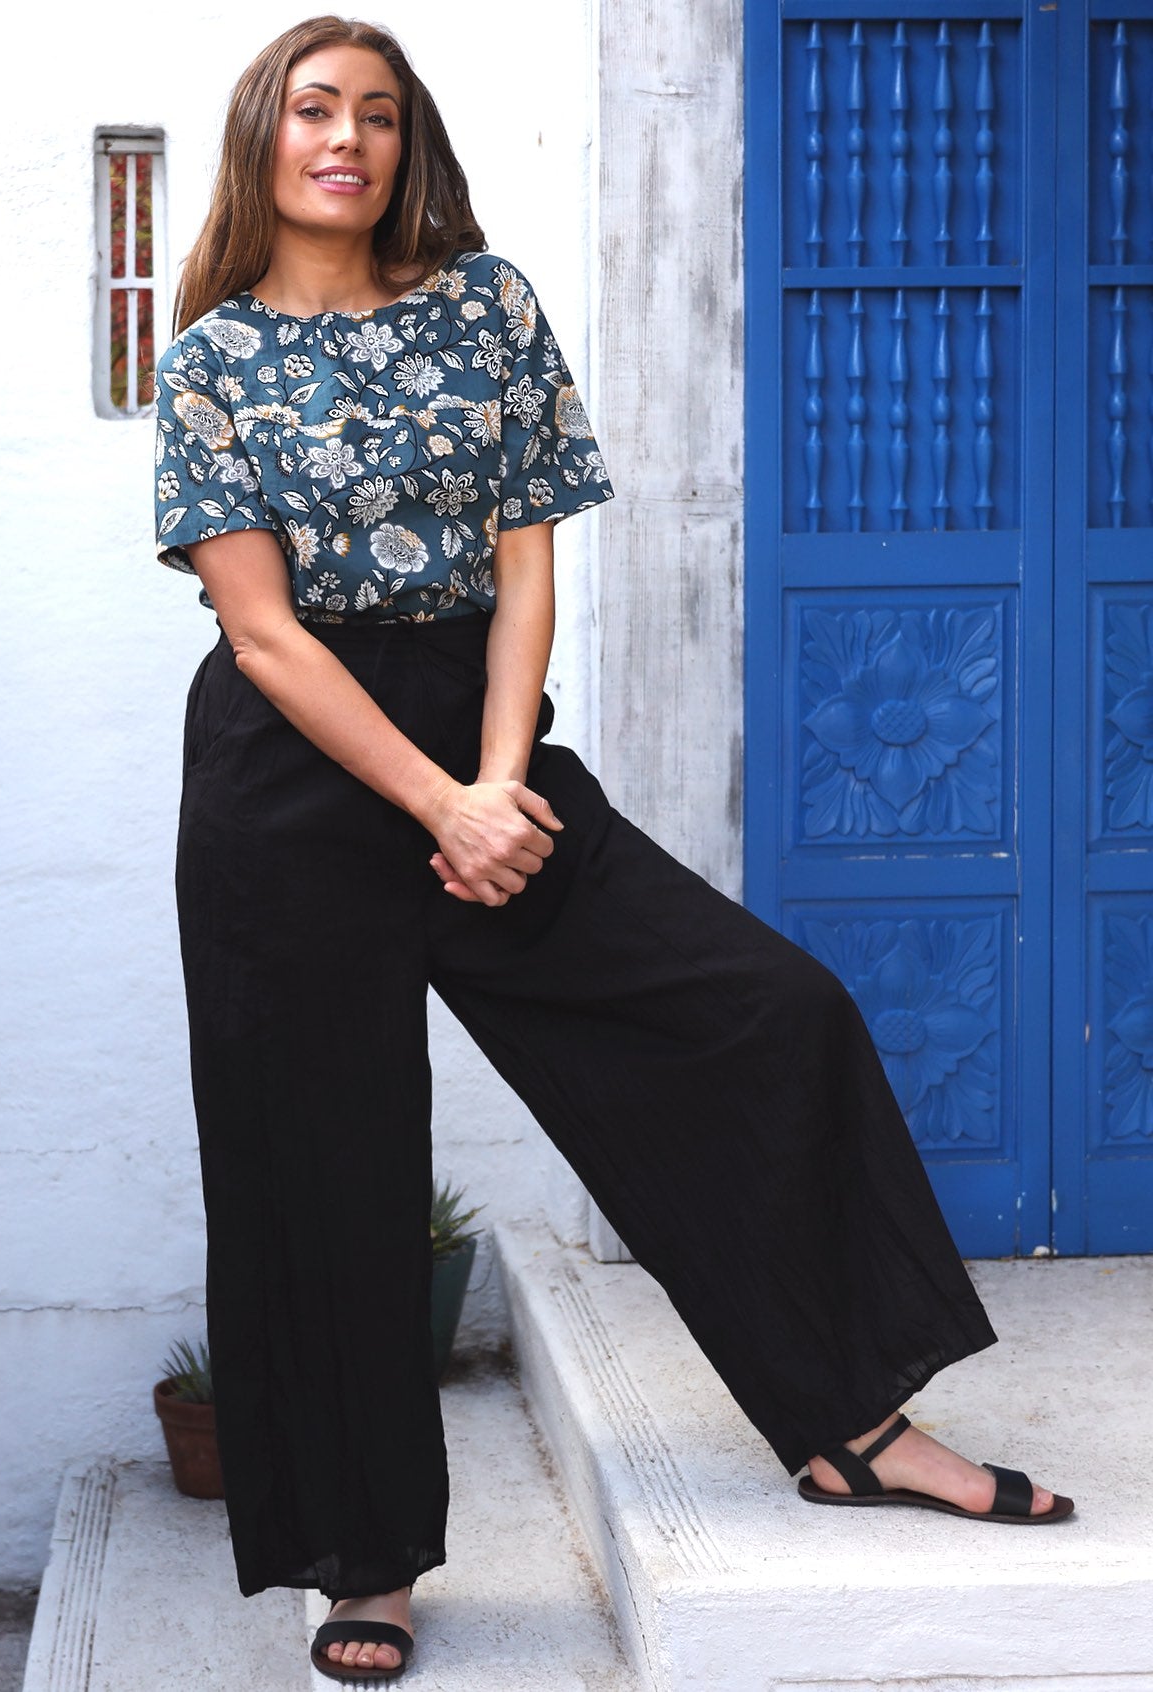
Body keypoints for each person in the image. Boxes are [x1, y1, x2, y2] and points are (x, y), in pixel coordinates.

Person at [153, 14, 1073, 1684]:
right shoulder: (211, 352)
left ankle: (852, 1424)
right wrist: (435, 805)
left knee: (761, 1010)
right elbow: (264, 632)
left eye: (375, 111)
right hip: (288, 780)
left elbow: (523, 570)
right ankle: (364, 1563)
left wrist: (497, 782)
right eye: (312, 110)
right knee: (319, 1173)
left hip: (479, 730)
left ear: (407, 141)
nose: (344, 137)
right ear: (263, 140)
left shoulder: (487, 306)